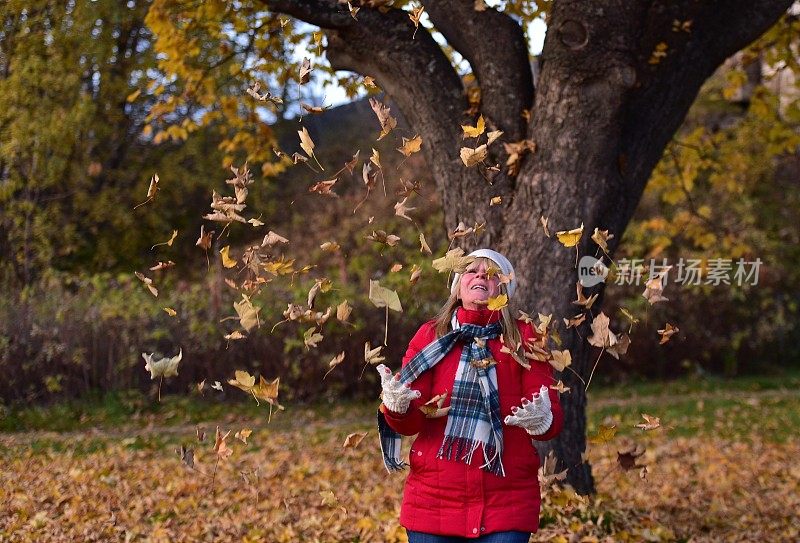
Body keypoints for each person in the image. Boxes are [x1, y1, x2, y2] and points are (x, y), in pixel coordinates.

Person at [376, 249, 564, 542]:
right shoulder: (431, 336)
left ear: (504, 289)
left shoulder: (525, 337)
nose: (480, 276)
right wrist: (396, 408)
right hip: (433, 502)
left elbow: (550, 423)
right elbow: (411, 424)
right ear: (458, 287)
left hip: (507, 501)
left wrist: (542, 418)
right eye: (471, 271)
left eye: (491, 273)